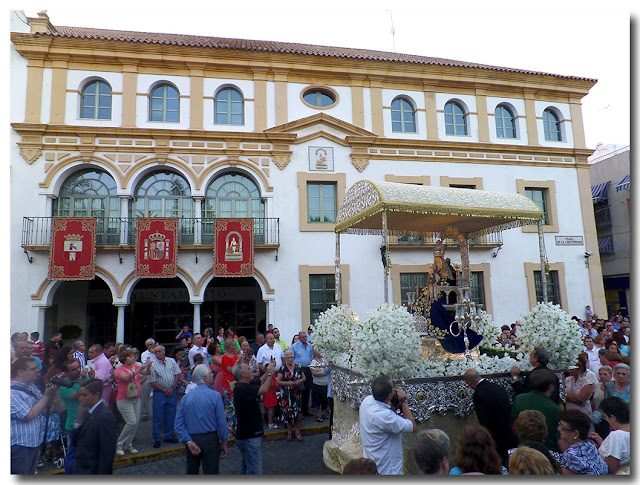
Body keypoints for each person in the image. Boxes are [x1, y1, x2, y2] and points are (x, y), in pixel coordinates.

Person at [174, 364, 229, 474]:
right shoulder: (215, 396)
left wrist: (188, 441)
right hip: (210, 439)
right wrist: (224, 442)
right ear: (205, 378)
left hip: (192, 438)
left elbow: (178, 423)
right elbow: (221, 422)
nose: (212, 374)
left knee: (192, 471)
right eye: (210, 373)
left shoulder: (186, 398)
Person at [359, 375, 416, 475]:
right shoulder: (385, 416)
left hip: (371, 464)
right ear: (389, 395)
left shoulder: (366, 401)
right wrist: (403, 401)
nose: (395, 390)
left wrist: (393, 407)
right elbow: (412, 426)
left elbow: (386, 416)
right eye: (393, 388)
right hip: (388, 469)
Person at [11, 357, 59, 475]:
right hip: (19, 445)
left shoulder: (31, 387)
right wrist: (46, 396)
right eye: (33, 369)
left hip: (33, 442)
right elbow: (28, 415)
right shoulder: (10, 392)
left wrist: (52, 393)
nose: (37, 371)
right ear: (20, 371)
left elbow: (41, 406)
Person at [232, 359, 276, 474]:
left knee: (246, 465)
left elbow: (260, 381)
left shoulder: (245, 385)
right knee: (254, 470)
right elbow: (264, 389)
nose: (251, 370)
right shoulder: (242, 388)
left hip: (245, 434)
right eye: (248, 369)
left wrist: (268, 370)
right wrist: (271, 373)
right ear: (243, 374)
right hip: (249, 435)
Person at [463, 368, 517, 461]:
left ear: (469, 382)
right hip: (507, 430)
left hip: (495, 434)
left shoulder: (479, 394)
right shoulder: (497, 387)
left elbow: (484, 420)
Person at [71, 379, 117, 474]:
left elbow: (107, 454)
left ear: (96, 395)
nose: (80, 399)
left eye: (85, 395)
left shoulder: (105, 417)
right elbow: (75, 442)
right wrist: (78, 421)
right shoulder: (87, 413)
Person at [511, 369, 561, 452]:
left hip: (523, 448)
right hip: (547, 450)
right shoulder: (554, 408)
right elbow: (557, 434)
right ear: (550, 387)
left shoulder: (519, 399)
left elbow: (513, 423)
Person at [114, 349, 152, 456]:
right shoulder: (119, 369)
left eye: (133, 356)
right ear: (124, 359)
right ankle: (119, 444)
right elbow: (125, 378)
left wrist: (148, 366)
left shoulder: (135, 366)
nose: (133, 358)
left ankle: (128, 445)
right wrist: (139, 369)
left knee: (135, 423)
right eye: (130, 357)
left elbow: (147, 373)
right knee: (131, 421)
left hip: (136, 398)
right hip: (124, 399)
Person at [58, 359, 93, 474]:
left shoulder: (86, 378)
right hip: (74, 423)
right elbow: (79, 397)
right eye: (73, 369)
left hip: (89, 421)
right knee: (73, 456)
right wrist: (83, 379)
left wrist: (93, 379)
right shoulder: (64, 386)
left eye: (78, 367)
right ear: (66, 372)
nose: (78, 370)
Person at [149, 344, 181, 448]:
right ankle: (157, 438)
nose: (157, 354)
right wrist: (164, 389)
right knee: (158, 416)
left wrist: (172, 387)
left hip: (172, 391)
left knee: (171, 414)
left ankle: (168, 435)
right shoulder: (153, 365)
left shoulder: (171, 361)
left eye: (159, 351)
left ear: (164, 352)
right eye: (156, 352)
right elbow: (153, 381)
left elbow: (177, 374)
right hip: (160, 393)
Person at [557, 409, 608, 475]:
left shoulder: (571, 455)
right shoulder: (590, 445)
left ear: (575, 434)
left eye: (563, 428)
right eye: (560, 425)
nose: (558, 429)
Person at [589, 396, 630, 474]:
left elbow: (610, 469)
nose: (605, 420)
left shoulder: (616, 436)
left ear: (612, 417)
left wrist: (594, 452)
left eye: (605, 417)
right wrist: (604, 443)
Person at [276, 349, 306, 442]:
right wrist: (288, 383)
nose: (290, 359)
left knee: (297, 412)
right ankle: (289, 432)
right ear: (285, 358)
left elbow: (304, 377)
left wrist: (299, 381)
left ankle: (297, 432)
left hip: (296, 393)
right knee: (287, 413)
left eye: (291, 357)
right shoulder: (282, 368)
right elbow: (278, 381)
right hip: (286, 394)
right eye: (288, 358)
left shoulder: (298, 367)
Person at [256, 332, 284, 429]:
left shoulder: (278, 347)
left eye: (273, 338)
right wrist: (267, 371)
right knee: (268, 397)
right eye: (270, 339)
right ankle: (268, 417)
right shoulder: (261, 350)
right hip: (267, 375)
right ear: (266, 340)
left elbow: (282, 358)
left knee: (279, 395)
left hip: (279, 373)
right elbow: (259, 363)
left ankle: (277, 415)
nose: (273, 340)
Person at [290, 331, 314, 416]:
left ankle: (305, 410)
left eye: (305, 337)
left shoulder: (309, 346)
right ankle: (298, 409)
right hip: (298, 369)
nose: (305, 338)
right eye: (303, 337)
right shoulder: (294, 347)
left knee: (307, 390)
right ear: (299, 338)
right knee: (298, 389)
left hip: (307, 369)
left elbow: (311, 356)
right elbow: (291, 358)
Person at [564, 353, 595, 418]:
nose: (570, 370)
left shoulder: (587, 383)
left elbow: (581, 399)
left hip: (582, 413)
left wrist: (566, 395)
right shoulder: (567, 379)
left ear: (579, 369)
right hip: (568, 411)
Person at [139, 338, 157, 422]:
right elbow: (145, 364)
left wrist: (155, 353)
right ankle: (144, 413)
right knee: (145, 394)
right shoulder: (144, 354)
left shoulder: (157, 351)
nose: (149, 346)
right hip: (148, 375)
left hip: (158, 376)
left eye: (151, 345)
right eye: (148, 345)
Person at [310, 350, 329, 422]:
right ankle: (319, 415)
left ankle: (323, 413)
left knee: (325, 400)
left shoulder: (324, 360)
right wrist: (323, 373)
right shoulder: (314, 362)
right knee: (320, 400)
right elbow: (313, 372)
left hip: (326, 383)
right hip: (318, 384)